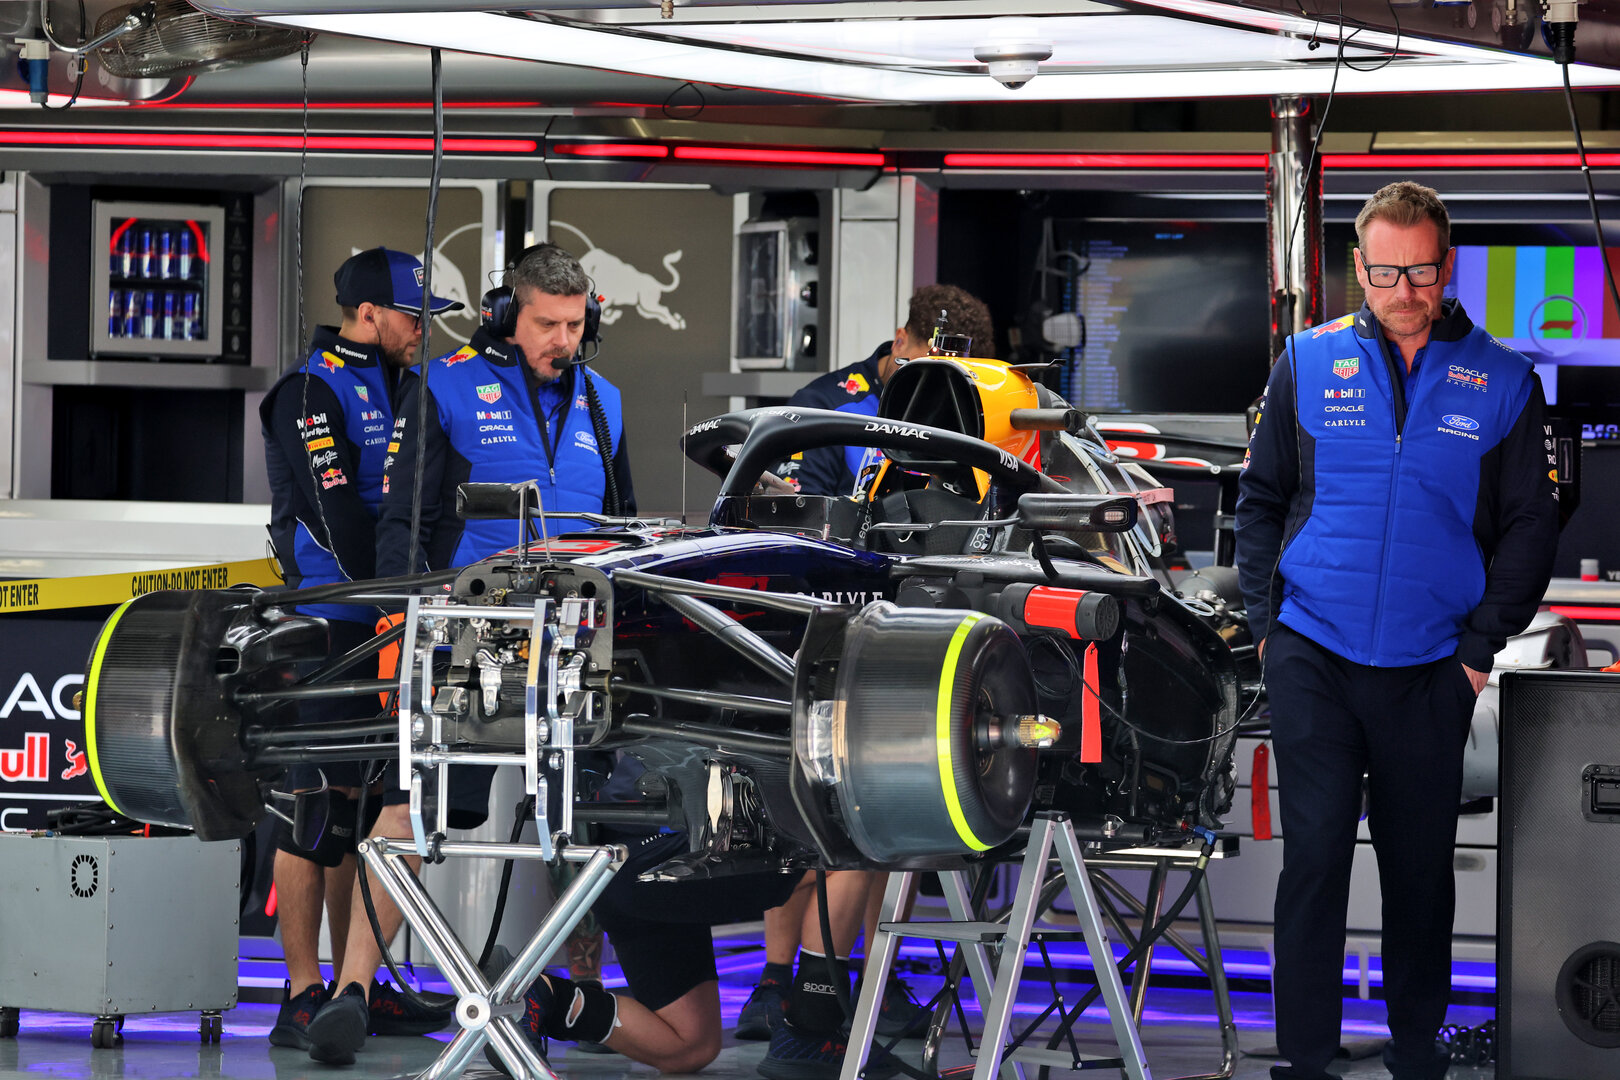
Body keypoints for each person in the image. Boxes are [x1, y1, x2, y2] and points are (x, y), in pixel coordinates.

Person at [1235, 181, 1559, 1080]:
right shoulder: (1306, 361)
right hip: (1314, 654)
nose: (1404, 288)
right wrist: (1269, 630)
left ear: (1446, 267)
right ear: (1359, 269)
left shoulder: (1501, 379)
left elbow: (1532, 525)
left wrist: (1476, 651)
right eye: (1385, 271)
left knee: (1419, 871)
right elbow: (1258, 503)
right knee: (1317, 857)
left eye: (1420, 270)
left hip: (1431, 667)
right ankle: (1306, 1061)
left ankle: (1419, 1055)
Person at [299, 243, 636, 1067]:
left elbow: (627, 527)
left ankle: (562, 998)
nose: (563, 338)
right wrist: (396, 625)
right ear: (503, 317)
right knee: (419, 804)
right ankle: (352, 987)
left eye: (574, 323)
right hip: (475, 630)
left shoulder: (606, 401)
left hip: (579, 630)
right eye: (545, 324)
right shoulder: (446, 385)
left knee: (588, 817)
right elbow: (401, 529)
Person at [259, 246, 463, 1054]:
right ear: (370, 314)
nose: (425, 332)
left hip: (394, 621)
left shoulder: (415, 388)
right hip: (327, 621)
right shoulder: (307, 390)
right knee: (312, 811)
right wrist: (385, 604)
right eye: (414, 317)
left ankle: (359, 983)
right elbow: (335, 512)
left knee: (362, 809)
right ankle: (301, 994)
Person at [776, 283, 994, 497]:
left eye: (953, 378)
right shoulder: (821, 407)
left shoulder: (974, 419)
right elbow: (799, 517)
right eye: (928, 370)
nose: (936, 389)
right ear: (900, 341)